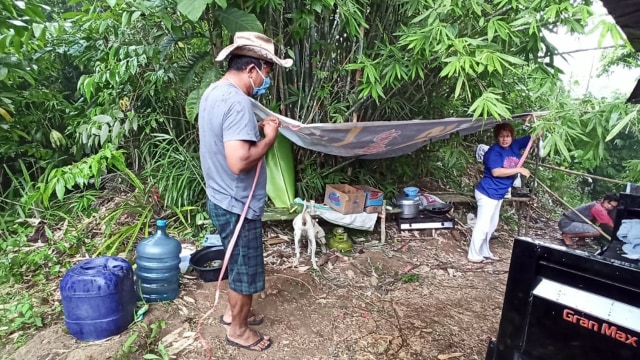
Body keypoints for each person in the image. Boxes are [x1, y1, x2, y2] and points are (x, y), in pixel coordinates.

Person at [198, 32, 292, 352]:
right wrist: (268, 137)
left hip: (220, 197)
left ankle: (231, 314)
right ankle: (238, 331)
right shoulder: (237, 102)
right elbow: (239, 162)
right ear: (252, 69)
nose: (266, 79)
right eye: (267, 73)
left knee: (236, 262)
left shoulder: (213, 92)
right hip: (238, 203)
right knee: (246, 271)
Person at [467, 123, 533, 263]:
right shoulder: (493, 151)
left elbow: (532, 137)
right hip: (487, 193)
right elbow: (496, 172)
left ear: (511, 136)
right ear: (497, 137)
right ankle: (473, 254)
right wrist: (519, 170)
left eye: (507, 136)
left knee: (492, 225)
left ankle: (484, 251)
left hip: (499, 193)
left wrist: (532, 123)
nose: (505, 139)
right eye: (501, 136)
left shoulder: (514, 145)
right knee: (483, 225)